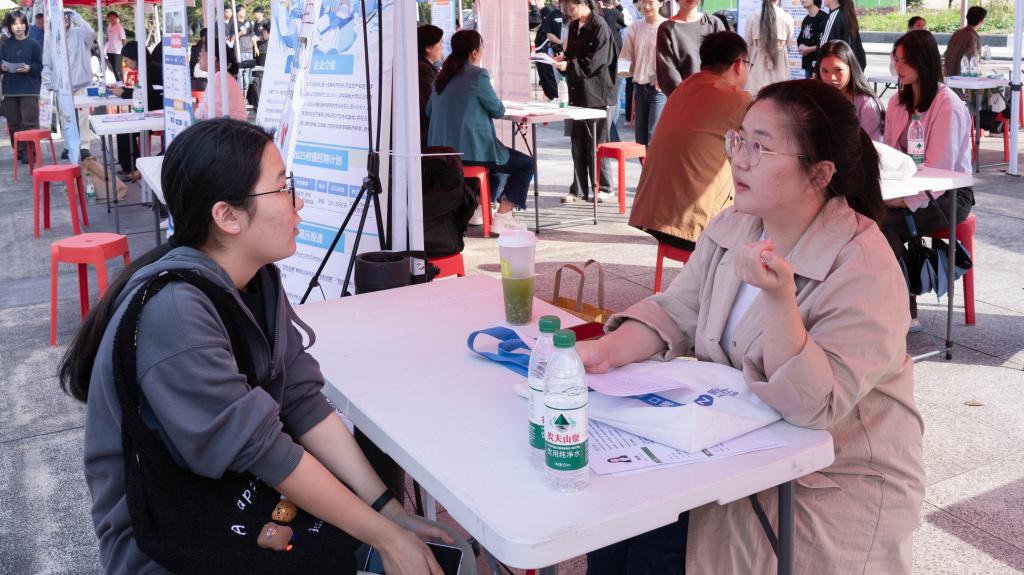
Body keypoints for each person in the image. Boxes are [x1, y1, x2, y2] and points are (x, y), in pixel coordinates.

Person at [58, 118, 467, 575]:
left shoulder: (257, 281)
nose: (299, 202)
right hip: (172, 540)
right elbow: (263, 449)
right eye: (283, 187)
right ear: (227, 217)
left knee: (435, 556)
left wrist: (388, 511)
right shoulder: (173, 311)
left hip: (246, 501)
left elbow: (301, 400)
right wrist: (384, 536)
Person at [581, 79, 925, 574]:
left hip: (827, 479)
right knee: (613, 525)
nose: (738, 160)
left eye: (759, 147)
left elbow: (812, 406)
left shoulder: (863, 267)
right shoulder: (735, 225)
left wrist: (778, 298)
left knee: (658, 551)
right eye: (738, 139)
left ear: (819, 174)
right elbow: (677, 310)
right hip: (735, 451)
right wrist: (606, 352)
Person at [627, 31, 751, 253]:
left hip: (651, 216)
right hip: (693, 227)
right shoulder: (738, 99)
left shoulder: (683, 88)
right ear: (739, 64)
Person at [883, 30, 974, 330]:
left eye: (906, 61)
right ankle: (880, 303)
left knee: (883, 223)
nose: (899, 67)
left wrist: (903, 200)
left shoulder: (948, 104)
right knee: (862, 216)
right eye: (896, 59)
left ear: (924, 61)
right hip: (905, 187)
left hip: (949, 193)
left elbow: (940, 171)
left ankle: (904, 310)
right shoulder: (897, 101)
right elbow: (889, 157)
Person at [427, 29, 533, 234]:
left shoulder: (441, 77)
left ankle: (477, 209)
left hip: (441, 152)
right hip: (471, 151)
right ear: (474, 53)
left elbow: (429, 110)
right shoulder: (478, 75)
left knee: (497, 168)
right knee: (526, 165)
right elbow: (498, 110)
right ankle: (503, 217)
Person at [554, 0, 616, 204]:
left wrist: (569, 65)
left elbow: (597, 62)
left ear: (583, 3)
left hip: (597, 93)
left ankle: (604, 187)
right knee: (577, 141)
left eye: (571, 7)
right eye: (565, 8)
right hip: (577, 92)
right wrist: (562, 60)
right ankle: (578, 189)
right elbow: (572, 56)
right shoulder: (573, 26)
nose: (568, 12)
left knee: (597, 143)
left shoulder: (599, 26)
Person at [42, 10, 96, 159]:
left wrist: (76, 15)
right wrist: (47, 81)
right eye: (59, 17)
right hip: (62, 85)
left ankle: (84, 146)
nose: (63, 19)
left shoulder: (80, 33)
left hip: (81, 82)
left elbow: (91, 33)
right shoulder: (50, 38)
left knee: (83, 116)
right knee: (65, 116)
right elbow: (47, 61)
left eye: (66, 17)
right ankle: (68, 145)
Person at [108, 41, 164, 176]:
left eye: (126, 60)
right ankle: (130, 167)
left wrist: (124, 93)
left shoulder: (151, 71)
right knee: (123, 128)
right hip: (151, 111)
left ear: (135, 58)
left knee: (124, 129)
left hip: (155, 114)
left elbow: (145, 95)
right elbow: (142, 92)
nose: (125, 63)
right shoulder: (149, 69)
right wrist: (124, 91)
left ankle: (132, 168)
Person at [654, 0, 725, 97]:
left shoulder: (714, 24)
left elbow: (726, 63)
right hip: (684, 99)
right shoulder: (666, 29)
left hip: (715, 96)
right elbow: (668, 74)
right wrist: (686, 98)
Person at [620, 0, 667, 146]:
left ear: (661, 3)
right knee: (640, 138)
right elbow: (626, 54)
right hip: (640, 87)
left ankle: (655, 162)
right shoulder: (636, 27)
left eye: (650, 3)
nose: (646, 7)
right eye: (643, 2)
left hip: (659, 89)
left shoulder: (667, 27)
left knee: (654, 136)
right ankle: (644, 162)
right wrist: (620, 71)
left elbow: (672, 59)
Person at [0, 11, 43, 164]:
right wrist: (2, 67)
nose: (18, 27)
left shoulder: (34, 44)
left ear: (26, 25)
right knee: (13, 123)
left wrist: (29, 68)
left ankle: (29, 152)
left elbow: (40, 66)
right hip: (10, 89)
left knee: (29, 121)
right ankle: (18, 150)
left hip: (29, 89)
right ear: (10, 27)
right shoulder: (5, 45)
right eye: (14, 24)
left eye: (21, 23)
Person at [817, 39, 882, 141]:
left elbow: (873, 144)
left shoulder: (866, 104)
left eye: (838, 70)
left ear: (850, 68)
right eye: (825, 71)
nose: (832, 77)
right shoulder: (815, 99)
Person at [744, 0, 795, 94]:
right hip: (780, 68)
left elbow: (748, 46)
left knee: (757, 97)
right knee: (778, 98)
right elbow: (789, 46)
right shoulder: (787, 18)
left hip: (757, 70)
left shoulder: (752, 18)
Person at [194, 38, 248, 122]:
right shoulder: (222, 76)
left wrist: (193, 109)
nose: (199, 54)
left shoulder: (219, 78)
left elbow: (206, 114)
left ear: (213, 57)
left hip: (231, 128)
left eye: (202, 51)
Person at [599, 0, 626, 141]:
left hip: (602, 62)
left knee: (606, 98)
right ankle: (611, 130)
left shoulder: (597, 15)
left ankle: (606, 131)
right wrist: (618, 5)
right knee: (615, 98)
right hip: (617, 62)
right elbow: (627, 20)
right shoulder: (615, 14)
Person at [817, 0, 865, 71]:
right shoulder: (847, 14)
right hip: (852, 68)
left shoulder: (834, 17)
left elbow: (823, 48)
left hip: (838, 69)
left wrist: (816, 69)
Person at [417, 25, 444, 150]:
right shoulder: (423, 70)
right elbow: (430, 104)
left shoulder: (424, 66)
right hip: (424, 136)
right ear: (428, 48)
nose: (442, 47)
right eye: (440, 43)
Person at [943, 5, 986, 77]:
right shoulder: (972, 37)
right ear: (982, 21)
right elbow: (972, 60)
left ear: (967, 17)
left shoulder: (957, 33)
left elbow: (946, 53)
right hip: (962, 78)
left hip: (949, 76)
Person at [534, 4, 564, 100]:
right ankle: (553, 97)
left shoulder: (567, 15)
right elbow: (548, 34)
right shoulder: (553, 14)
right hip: (550, 52)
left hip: (557, 53)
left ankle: (555, 97)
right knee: (548, 77)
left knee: (555, 79)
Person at [796, 0, 826, 78]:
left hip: (819, 65)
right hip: (807, 65)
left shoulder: (824, 18)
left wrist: (808, 49)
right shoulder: (806, 19)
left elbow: (826, 43)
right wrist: (801, 47)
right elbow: (800, 40)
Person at [105, 11, 126, 82]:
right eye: (109, 18)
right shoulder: (108, 27)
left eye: (113, 17)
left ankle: (121, 84)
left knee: (118, 69)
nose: (111, 19)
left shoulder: (119, 27)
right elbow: (108, 39)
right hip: (110, 51)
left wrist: (125, 51)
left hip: (118, 52)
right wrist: (106, 49)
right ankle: (118, 83)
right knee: (112, 69)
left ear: (117, 18)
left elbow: (123, 39)